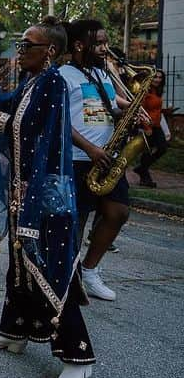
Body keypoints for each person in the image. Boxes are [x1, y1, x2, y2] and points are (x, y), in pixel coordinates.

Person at [0, 17, 95, 378]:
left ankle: (78, 354)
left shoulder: (54, 83)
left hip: (47, 193)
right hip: (25, 188)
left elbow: (26, 128)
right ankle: (15, 331)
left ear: (50, 51)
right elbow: (9, 104)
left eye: (27, 46)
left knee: (49, 266)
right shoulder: (32, 81)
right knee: (19, 261)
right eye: (20, 45)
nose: (20, 52)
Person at [59, 19, 141, 301]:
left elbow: (103, 110)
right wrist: (91, 149)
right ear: (80, 45)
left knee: (118, 212)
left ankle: (90, 270)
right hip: (80, 158)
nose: (105, 48)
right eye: (100, 43)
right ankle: (67, 280)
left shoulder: (103, 75)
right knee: (76, 224)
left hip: (108, 155)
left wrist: (129, 114)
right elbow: (59, 121)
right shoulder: (63, 76)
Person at [135, 69, 168, 188]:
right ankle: (145, 178)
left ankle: (141, 168)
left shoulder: (158, 91)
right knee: (148, 151)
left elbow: (155, 109)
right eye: (155, 77)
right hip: (148, 126)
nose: (158, 80)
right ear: (150, 78)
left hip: (157, 126)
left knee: (162, 148)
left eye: (160, 78)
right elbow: (141, 109)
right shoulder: (145, 91)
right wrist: (145, 127)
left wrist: (165, 111)